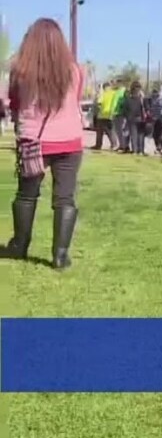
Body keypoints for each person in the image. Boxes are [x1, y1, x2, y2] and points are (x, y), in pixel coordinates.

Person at [3, 18, 84, 270]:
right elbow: (76, 100)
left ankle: (19, 245)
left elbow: (14, 103)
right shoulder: (75, 71)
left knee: (26, 195)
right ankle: (60, 255)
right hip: (69, 140)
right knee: (65, 198)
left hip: (33, 141)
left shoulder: (20, 71)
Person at [122, 81, 148, 155]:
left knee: (134, 135)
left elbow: (125, 110)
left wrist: (126, 117)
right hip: (141, 118)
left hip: (131, 119)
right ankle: (141, 150)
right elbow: (147, 108)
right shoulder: (142, 99)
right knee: (141, 135)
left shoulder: (128, 99)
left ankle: (135, 150)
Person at [93, 81, 118, 150]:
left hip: (103, 115)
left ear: (104, 87)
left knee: (100, 132)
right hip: (108, 115)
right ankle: (113, 145)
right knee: (109, 132)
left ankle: (98, 145)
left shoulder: (103, 94)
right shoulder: (114, 93)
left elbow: (99, 102)